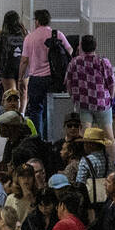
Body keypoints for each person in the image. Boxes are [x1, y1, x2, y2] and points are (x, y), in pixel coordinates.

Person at [19, 9, 72, 140]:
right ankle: (51, 137)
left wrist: (20, 78)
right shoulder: (56, 34)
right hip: (53, 79)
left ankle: (38, 139)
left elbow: (24, 60)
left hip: (36, 79)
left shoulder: (29, 38)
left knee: (36, 110)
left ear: (37, 21)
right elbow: (69, 50)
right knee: (51, 108)